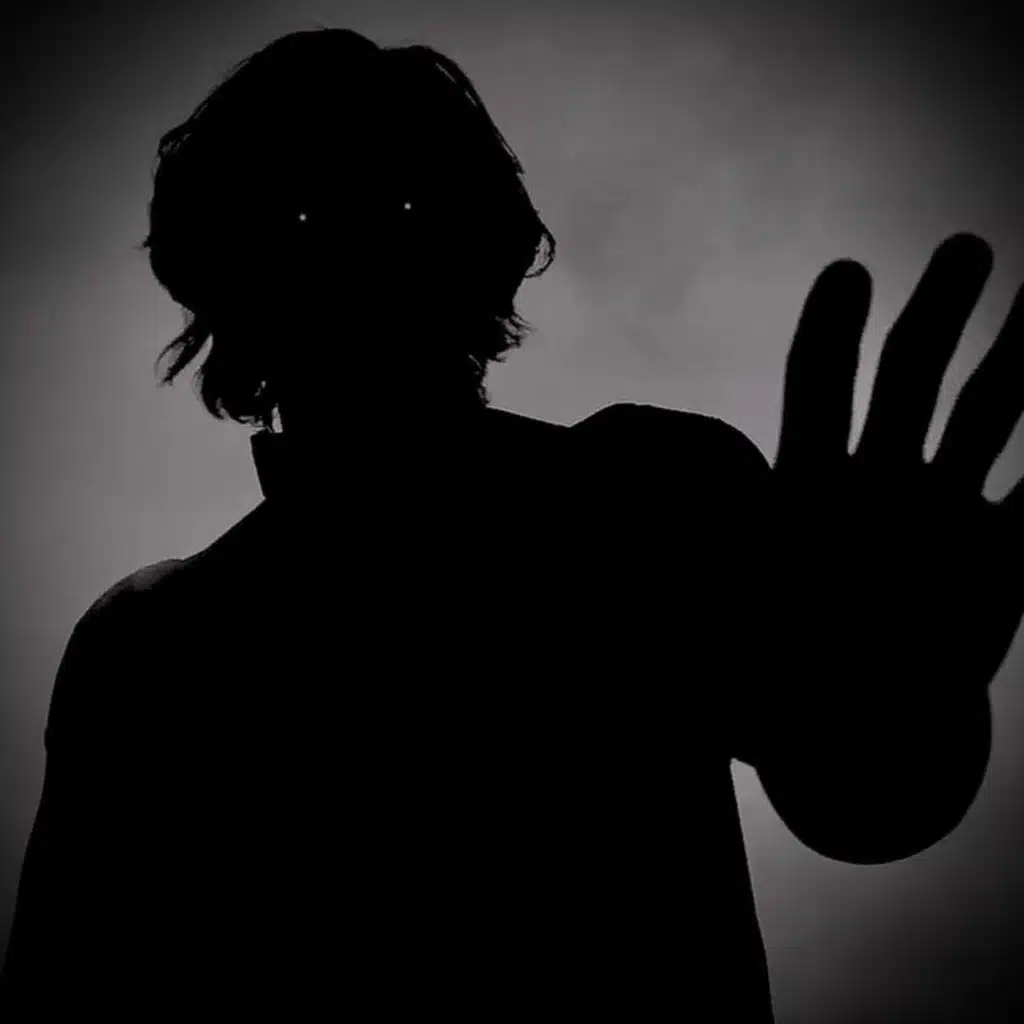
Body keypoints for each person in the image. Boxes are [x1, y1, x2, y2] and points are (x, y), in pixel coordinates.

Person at [2, 27, 1020, 1020]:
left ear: (474, 246)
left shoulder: (646, 499)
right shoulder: (150, 649)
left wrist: (907, 663)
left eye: (406, 206)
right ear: (234, 275)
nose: (361, 252)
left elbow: (864, 791)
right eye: (303, 218)